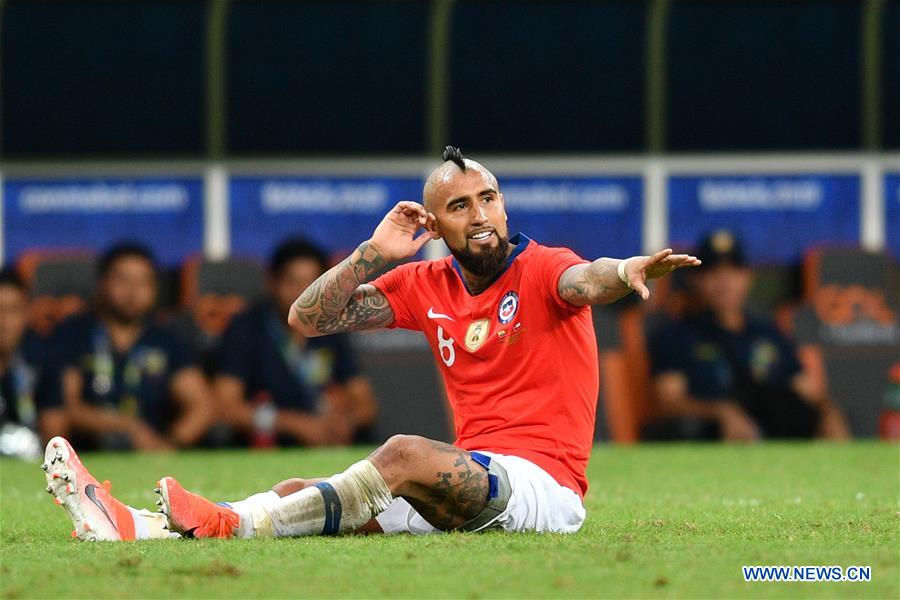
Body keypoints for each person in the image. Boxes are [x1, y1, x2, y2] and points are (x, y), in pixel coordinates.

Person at [44, 147, 700, 541]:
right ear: (433, 224)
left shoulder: (542, 266)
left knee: (403, 453)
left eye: (489, 198)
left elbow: (584, 281)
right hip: (464, 481)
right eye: (462, 206)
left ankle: (224, 523)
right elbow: (308, 316)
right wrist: (371, 254)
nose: (481, 215)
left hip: (540, 489)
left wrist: (624, 271)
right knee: (303, 489)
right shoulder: (425, 281)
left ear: (504, 206)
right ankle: (142, 527)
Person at [646, 230, 850, 442]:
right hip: (715, 444)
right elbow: (668, 402)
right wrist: (720, 413)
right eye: (713, 272)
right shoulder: (676, 335)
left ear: (747, 277)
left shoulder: (768, 332)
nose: (724, 282)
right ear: (696, 280)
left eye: (733, 271)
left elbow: (809, 391)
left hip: (780, 439)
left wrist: (829, 414)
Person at [42, 243, 213, 451]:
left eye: (143, 282)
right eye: (123, 280)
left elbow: (201, 406)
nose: (132, 292)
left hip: (150, 451)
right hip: (90, 452)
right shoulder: (74, 333)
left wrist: (169, 444)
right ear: (102, 283)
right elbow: (66, 407)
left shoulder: (166, 339)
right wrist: (127, 427)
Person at [214, 238, 377, 447]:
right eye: (294, 283)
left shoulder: (332, 326)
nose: (305, 294)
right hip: (264, 447)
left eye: (314, 284)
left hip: (324, 445)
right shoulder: (246, 328)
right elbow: (226, 407)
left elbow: (365, 404)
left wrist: (345, 422)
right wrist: (296, 424)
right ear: (272, 283)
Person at [0, 269, 64, 457]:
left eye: (12, 310)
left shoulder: (41, 358)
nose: (3, 322)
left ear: (27, 313)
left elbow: (55, 439)